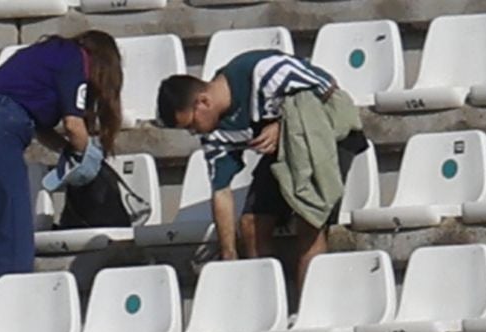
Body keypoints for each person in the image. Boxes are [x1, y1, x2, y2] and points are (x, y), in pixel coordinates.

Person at [156, 49, 369, 285]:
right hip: (284, 150)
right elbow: (221, 191)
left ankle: (308, 308)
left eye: (192, 124)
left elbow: (326, 87)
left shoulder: (263, 71)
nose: (194, 132)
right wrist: (228, 254)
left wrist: (285, 124)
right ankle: (266, 300)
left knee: (310, 220)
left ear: (203, 102)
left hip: (327, 135)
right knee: (251, 223)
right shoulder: (215, 134)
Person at [0, 31, 125, 303]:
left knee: (2, 237)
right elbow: (74, 124)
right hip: (0, 138)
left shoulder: (45, 55)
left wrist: (68, 150)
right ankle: (7, 319)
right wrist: (89, 156)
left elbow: (41, 128)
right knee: (15, 245)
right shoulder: (76, 59)